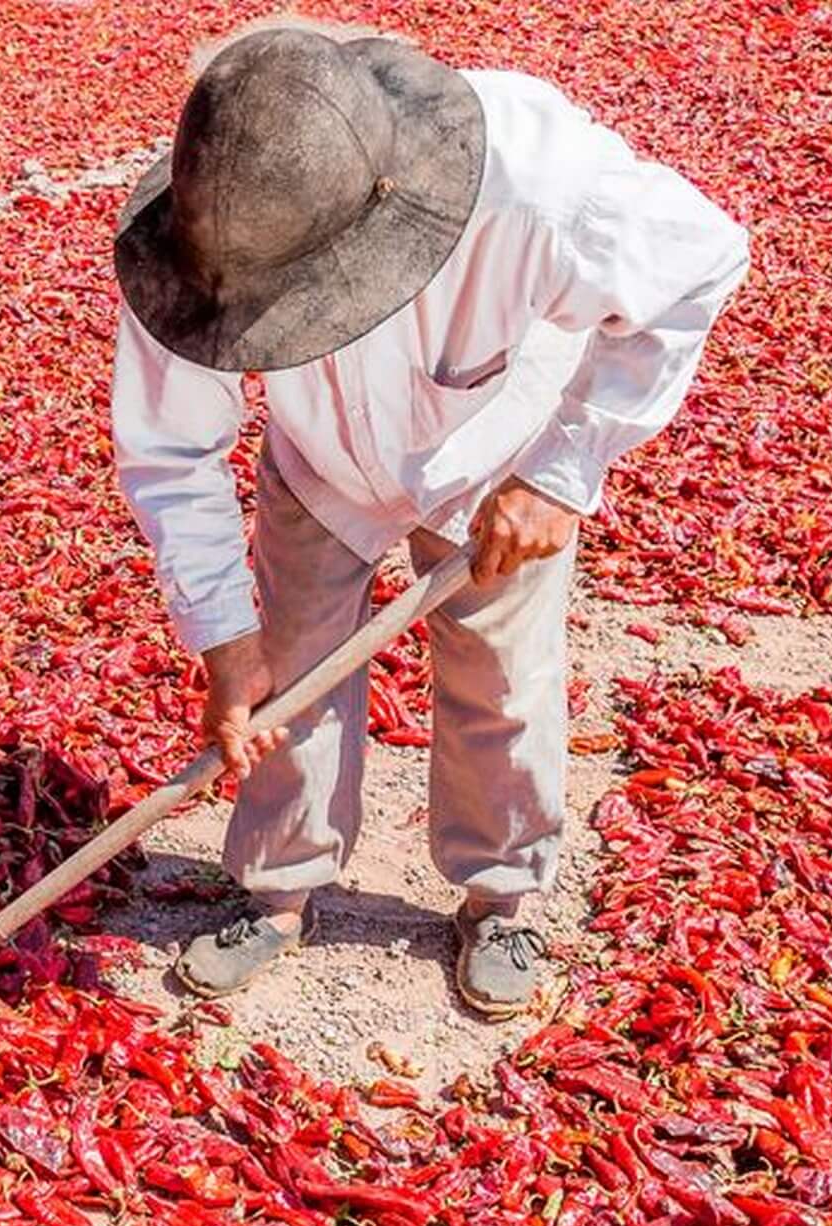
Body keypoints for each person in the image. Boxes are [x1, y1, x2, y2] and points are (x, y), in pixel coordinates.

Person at [111, 18, 747, 1017]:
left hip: (491, 453)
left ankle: (502, 896)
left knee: (499, 677)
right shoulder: (197, 234)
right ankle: (278, 891)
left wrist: (560, 473)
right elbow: (170, 451)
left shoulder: (540, 181)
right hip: (318, 461)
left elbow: (700, 264)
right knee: (288, 677)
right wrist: (223, 642)